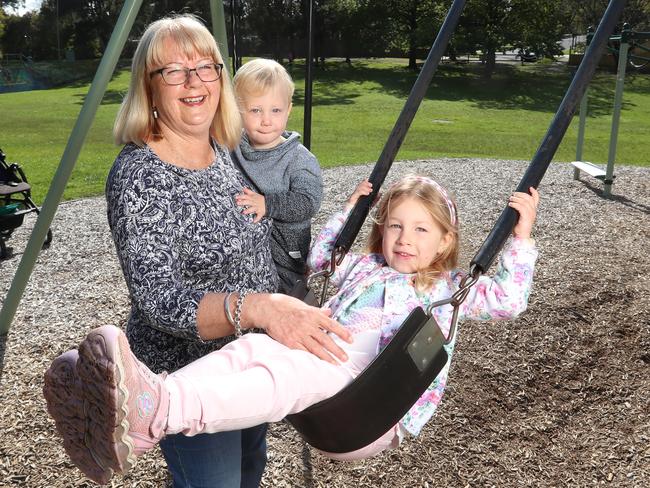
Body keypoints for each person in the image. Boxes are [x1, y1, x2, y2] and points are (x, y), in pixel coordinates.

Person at [44, 174, 540, 483]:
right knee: (258, 344)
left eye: (421, 230)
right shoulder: (364, 265)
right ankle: (143, 402)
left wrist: (521, 238)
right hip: (323, 362)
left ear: (445, 241)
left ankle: (162, 411)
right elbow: (322, 259)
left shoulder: (447, 288)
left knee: (298, 370)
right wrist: (351, 212)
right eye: (394, 226)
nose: (404, 239)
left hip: (367, 403)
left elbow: (509, 299)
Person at [41, 14, 352, 488]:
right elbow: (159, 301)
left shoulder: (221, 149)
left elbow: (258, 228)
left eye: (206, 67)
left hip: (247, 359)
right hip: (189, 375)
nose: (194, 82)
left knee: (251, 471)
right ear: (149, 87)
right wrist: (261, 307)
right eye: (173, 71)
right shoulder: (139, 176)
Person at [231, 58, 322, 294]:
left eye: (276, 110)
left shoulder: (299, 159)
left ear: (288, 109)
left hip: (286, 254)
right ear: (238, 110)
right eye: (255, 110)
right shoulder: (233, 148)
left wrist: (267, 204)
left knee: (284, 297)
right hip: (244, 250)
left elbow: (308, 202)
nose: (266, 120)